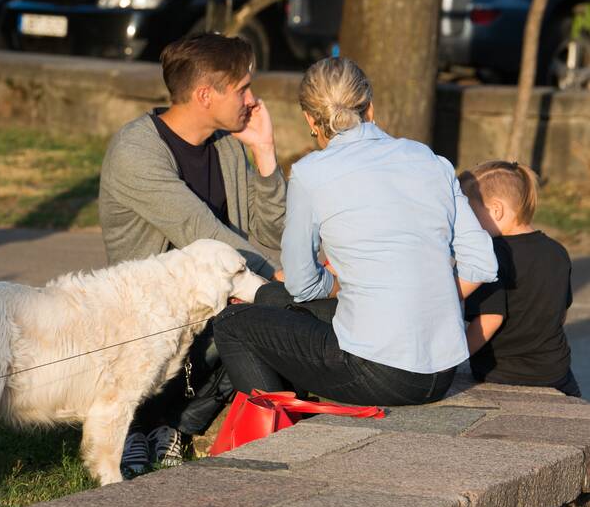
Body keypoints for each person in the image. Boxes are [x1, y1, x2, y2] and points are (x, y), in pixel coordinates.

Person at [212, 57, 498, 406]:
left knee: (232, 323)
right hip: (441, 370)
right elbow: (482, 263)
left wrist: (338, 284)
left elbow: (303, 285)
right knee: (273, 299)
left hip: (377, 371)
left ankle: (274, 442)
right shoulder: (430, 160)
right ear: (370, 107)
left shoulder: (310, 173)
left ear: (310, 120)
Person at [98, 33, 287, 476]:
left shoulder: (225, 145)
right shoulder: (137, 152)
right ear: (206, 96)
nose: (252, 99)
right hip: (144, 322)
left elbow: (272, 230)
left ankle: (177, 425)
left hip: (209, 310)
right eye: (242, 88)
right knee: (274, 313)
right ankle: (136, 427)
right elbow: (205, 236)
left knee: (267, 320)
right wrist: (275, 287)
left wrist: (264, 152)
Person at [458, 161, 581, 397]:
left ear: (496, 210)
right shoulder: (557, 251)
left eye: (470, 214)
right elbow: (560, 313)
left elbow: (489, 319)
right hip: (556, 372)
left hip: (503, 373)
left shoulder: (491, 255)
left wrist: (453, 358)